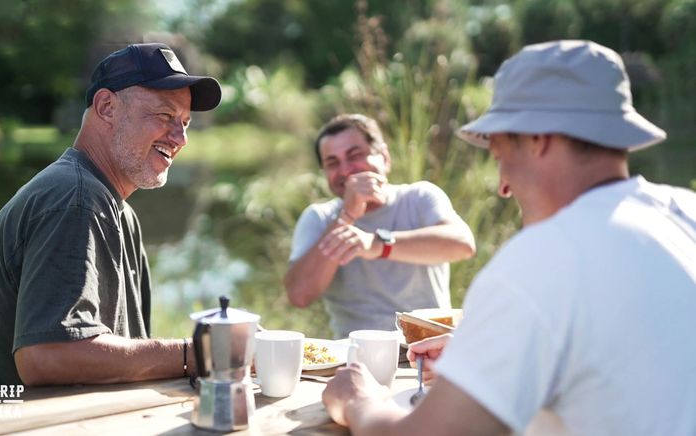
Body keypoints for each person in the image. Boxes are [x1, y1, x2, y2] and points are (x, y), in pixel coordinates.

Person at [322, 40, 696, 435]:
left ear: (538, 139)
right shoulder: (684, 212)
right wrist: (485, 351)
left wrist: (357, 401)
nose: (502, 187)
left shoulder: (544, 257)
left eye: (500, 156)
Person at [0, 42, 222, 386]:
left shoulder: (112, 209)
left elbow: (119, 357)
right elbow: (45, 357)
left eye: (185, 122)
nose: (180, 138)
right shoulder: (74, 199)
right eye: (165, 116)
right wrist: (199, 354)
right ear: (107, 108)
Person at [283, 114, 476, 338]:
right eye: (333, 163)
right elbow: (299, 295)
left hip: (425, 351)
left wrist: (376, 245)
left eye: (354, 155)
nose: (345, 170)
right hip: (355, 356)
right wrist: (347, 216)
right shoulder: (319, 218)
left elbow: (462, 245)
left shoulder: (419, 197)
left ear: (384, 157)